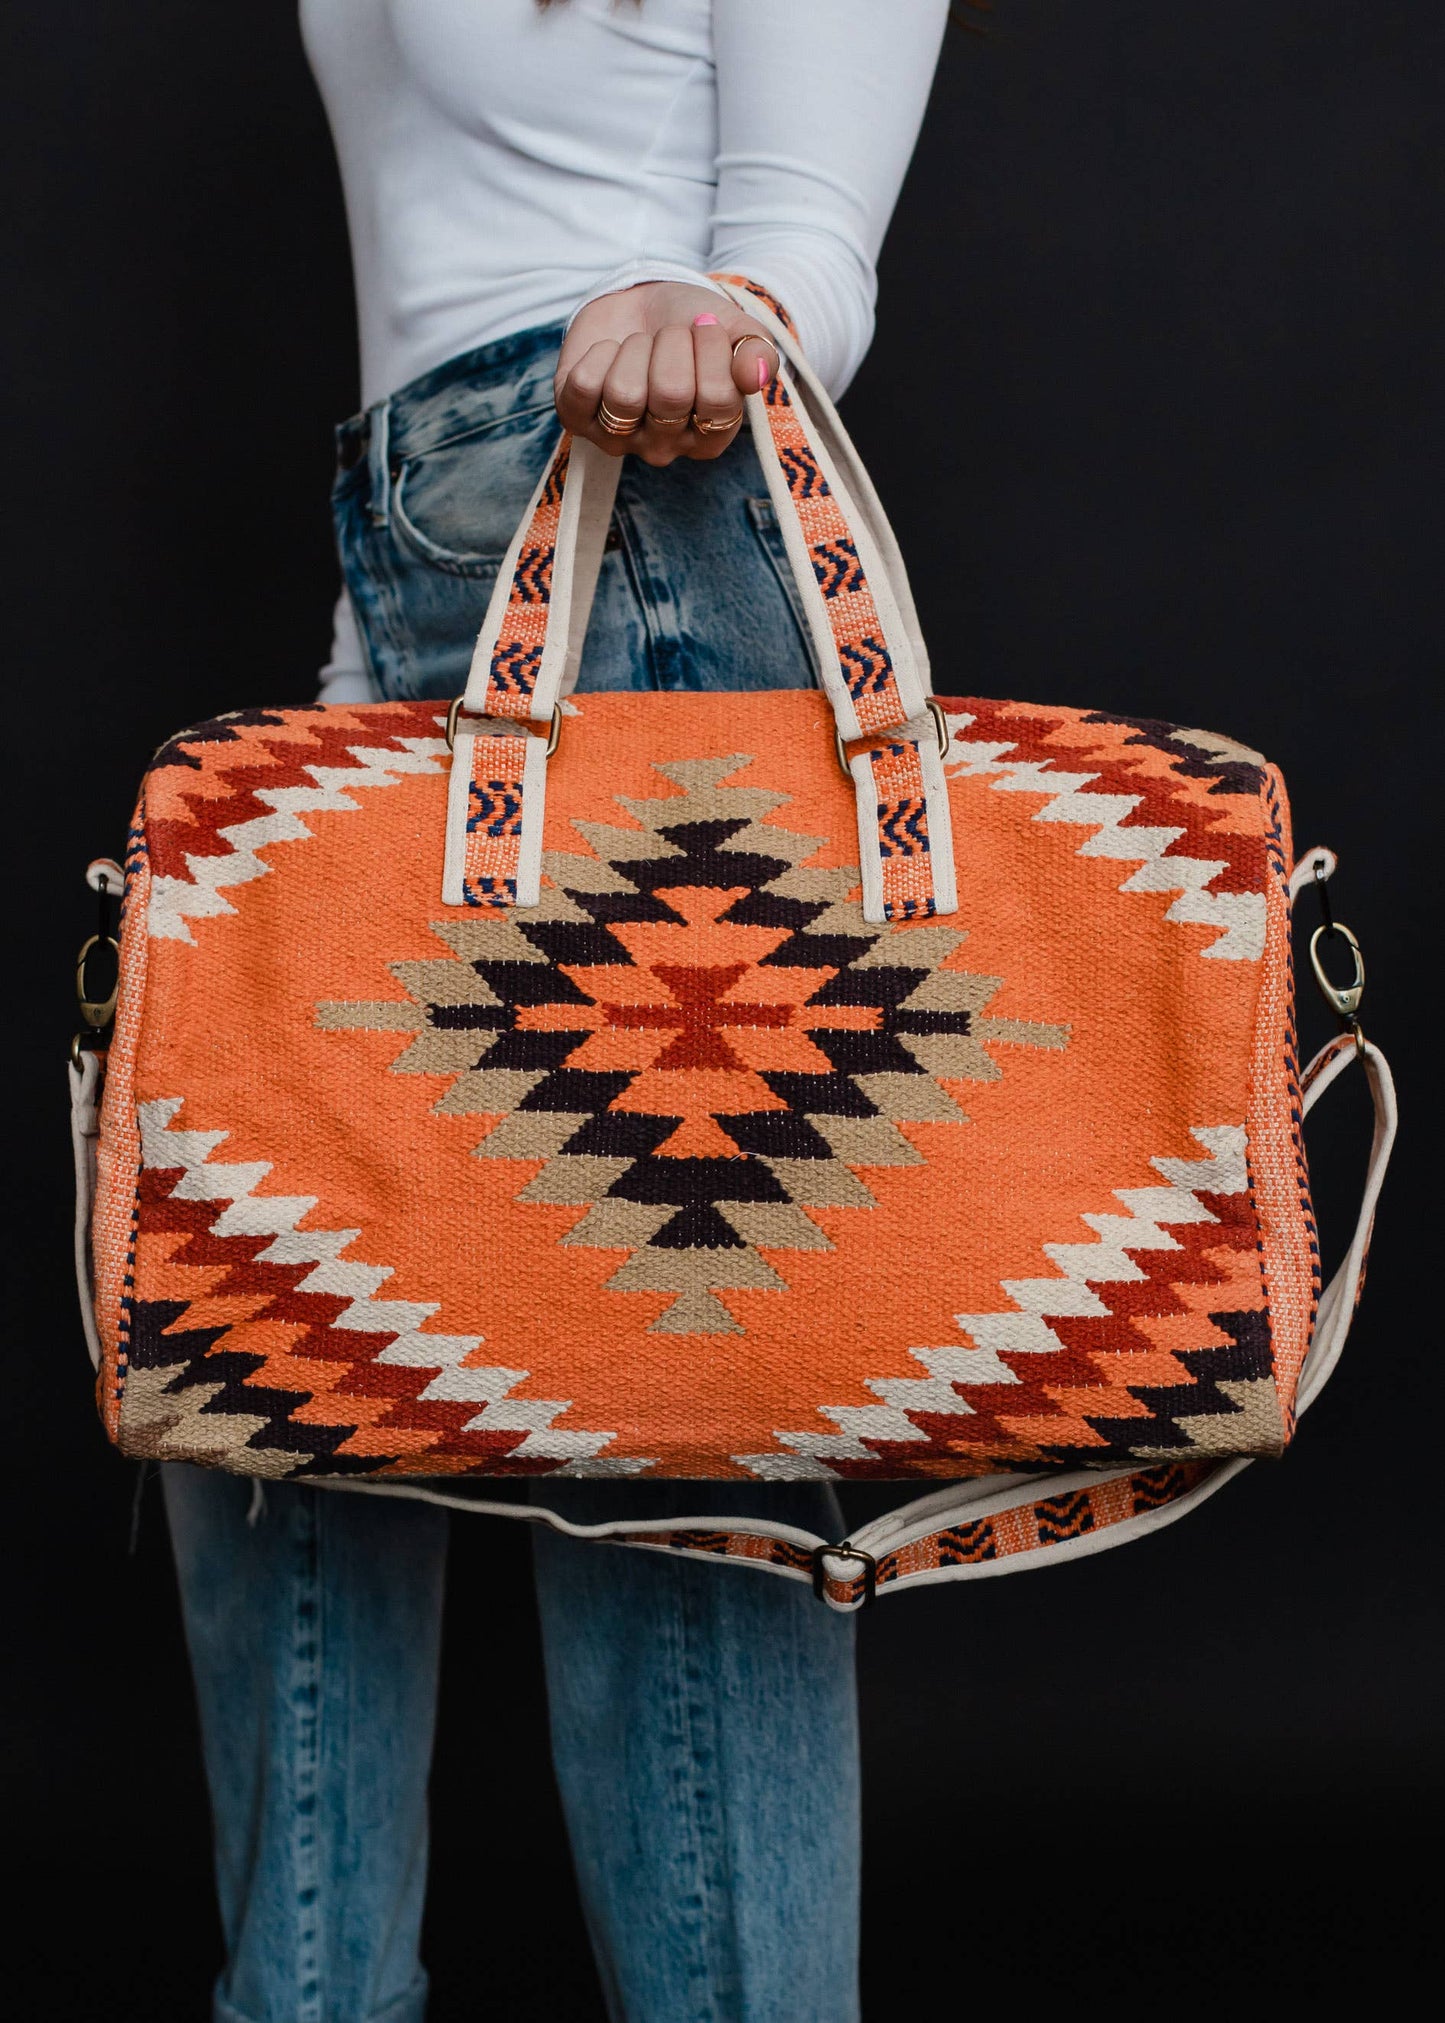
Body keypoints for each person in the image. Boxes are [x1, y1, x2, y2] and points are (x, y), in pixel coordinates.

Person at [163, 5, 952, 2018]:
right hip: (427, 553)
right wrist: (350, 710)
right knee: (273, 1326)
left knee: (667, 1416)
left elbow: (800, 248)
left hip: (655, 513)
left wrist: (728, 302)